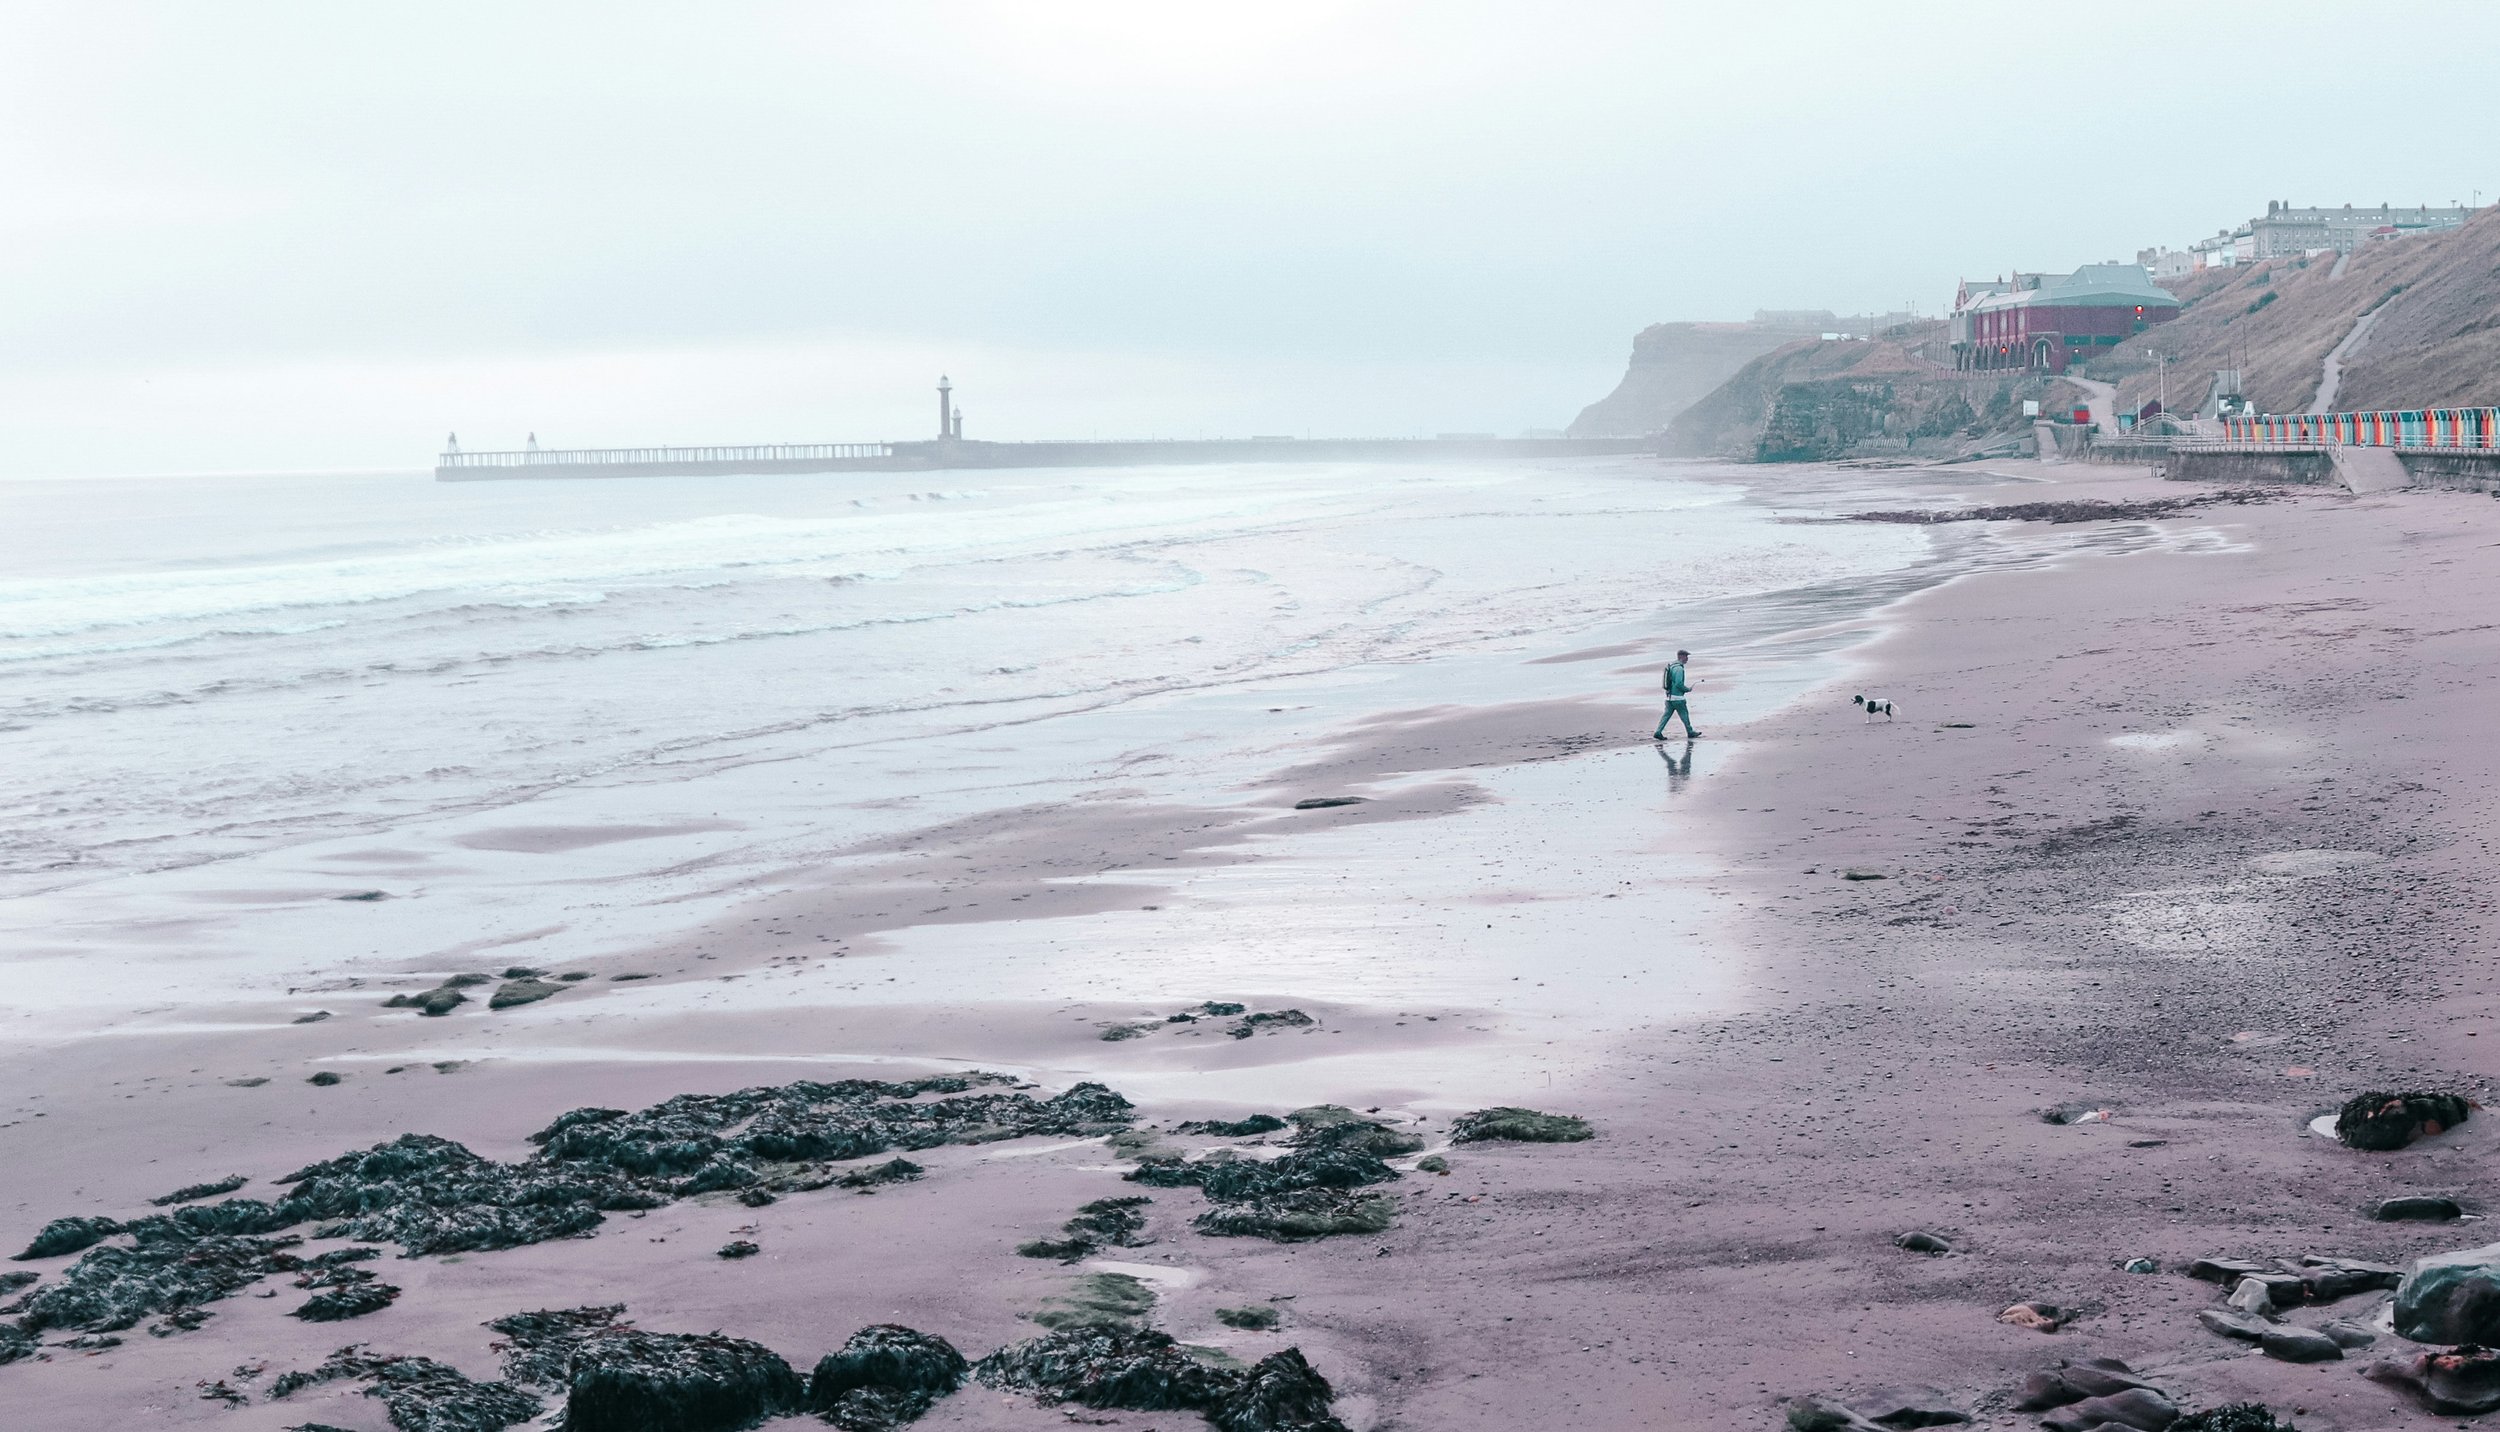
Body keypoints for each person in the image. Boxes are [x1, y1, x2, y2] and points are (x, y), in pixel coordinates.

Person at [1653, 649, 1701, 740]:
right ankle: (1690, 732)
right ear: (1681, 656)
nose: (1687, 658)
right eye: (1686, 656)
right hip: (1678, 698)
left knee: (1666, 715)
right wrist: (1687, 689)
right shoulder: (1679, 668)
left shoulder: (1672, 666)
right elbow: (1678, 683)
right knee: (1684, 715)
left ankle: (1658, 732)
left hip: (1669, 697)